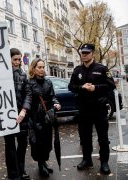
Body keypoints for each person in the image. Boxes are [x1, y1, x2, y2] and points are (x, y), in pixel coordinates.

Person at [68, 43, 116, 175]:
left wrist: (96, 88)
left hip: (99, 109)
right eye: (82, 53)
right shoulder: (78, 70)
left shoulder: (101, 69)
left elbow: (111, 85)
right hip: (84, 110)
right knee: (85, 137)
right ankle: (87, 160)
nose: (84, 55)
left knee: (103, 137)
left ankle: (104, 162)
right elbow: (71, 87)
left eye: (87, 53)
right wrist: (81, 87)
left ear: (92, 54)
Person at [27, 58, 61, 177]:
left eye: (43, 67)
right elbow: (28, 100)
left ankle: (44, 163)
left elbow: (53, 96)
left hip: (47, 117)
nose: (42, 70)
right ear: (33, 68)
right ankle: (41, 165)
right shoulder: (29, 83)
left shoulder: (48, 82)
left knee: (47, 142)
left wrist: (56, 103)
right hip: (35, 117)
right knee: (38, 143)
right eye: (39, 67)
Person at [4, 48, 32, 180]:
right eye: (14, 59)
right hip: (7, 117)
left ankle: (21, 170)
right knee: (10, 147)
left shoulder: (23, 74)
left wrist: (24, 110)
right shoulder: (1, 74)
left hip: (22, 117)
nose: (17, 62)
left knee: (22, 145)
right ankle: (13, 174)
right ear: (8, 59)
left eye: (19, 60)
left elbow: (28, 94)